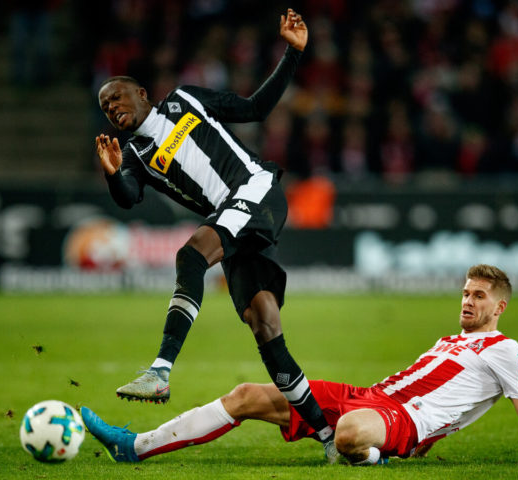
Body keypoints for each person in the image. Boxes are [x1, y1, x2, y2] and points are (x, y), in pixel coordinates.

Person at [94, 8, 338, 459]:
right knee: (264, 325)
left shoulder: (186, 100)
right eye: (105, 107)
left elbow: (254, 108)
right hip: (233, 223)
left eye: (117, 97)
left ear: (142, 93)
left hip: (256, 190)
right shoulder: (135, 156)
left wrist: (293, 53)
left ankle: (160, 369)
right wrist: (112, 174)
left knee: (190, 255)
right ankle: (329, 439)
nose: (112, 108)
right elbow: (128, 197)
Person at [81, 264, 518, 466]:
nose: (467, 301)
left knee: (352, 432)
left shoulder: (508, 351)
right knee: (249, 393)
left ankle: (357, 451)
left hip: (402, 422)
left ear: (499, 307)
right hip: (370, 398)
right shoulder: (447, 341)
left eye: (478, 296)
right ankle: (135, 447)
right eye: (465, 292)